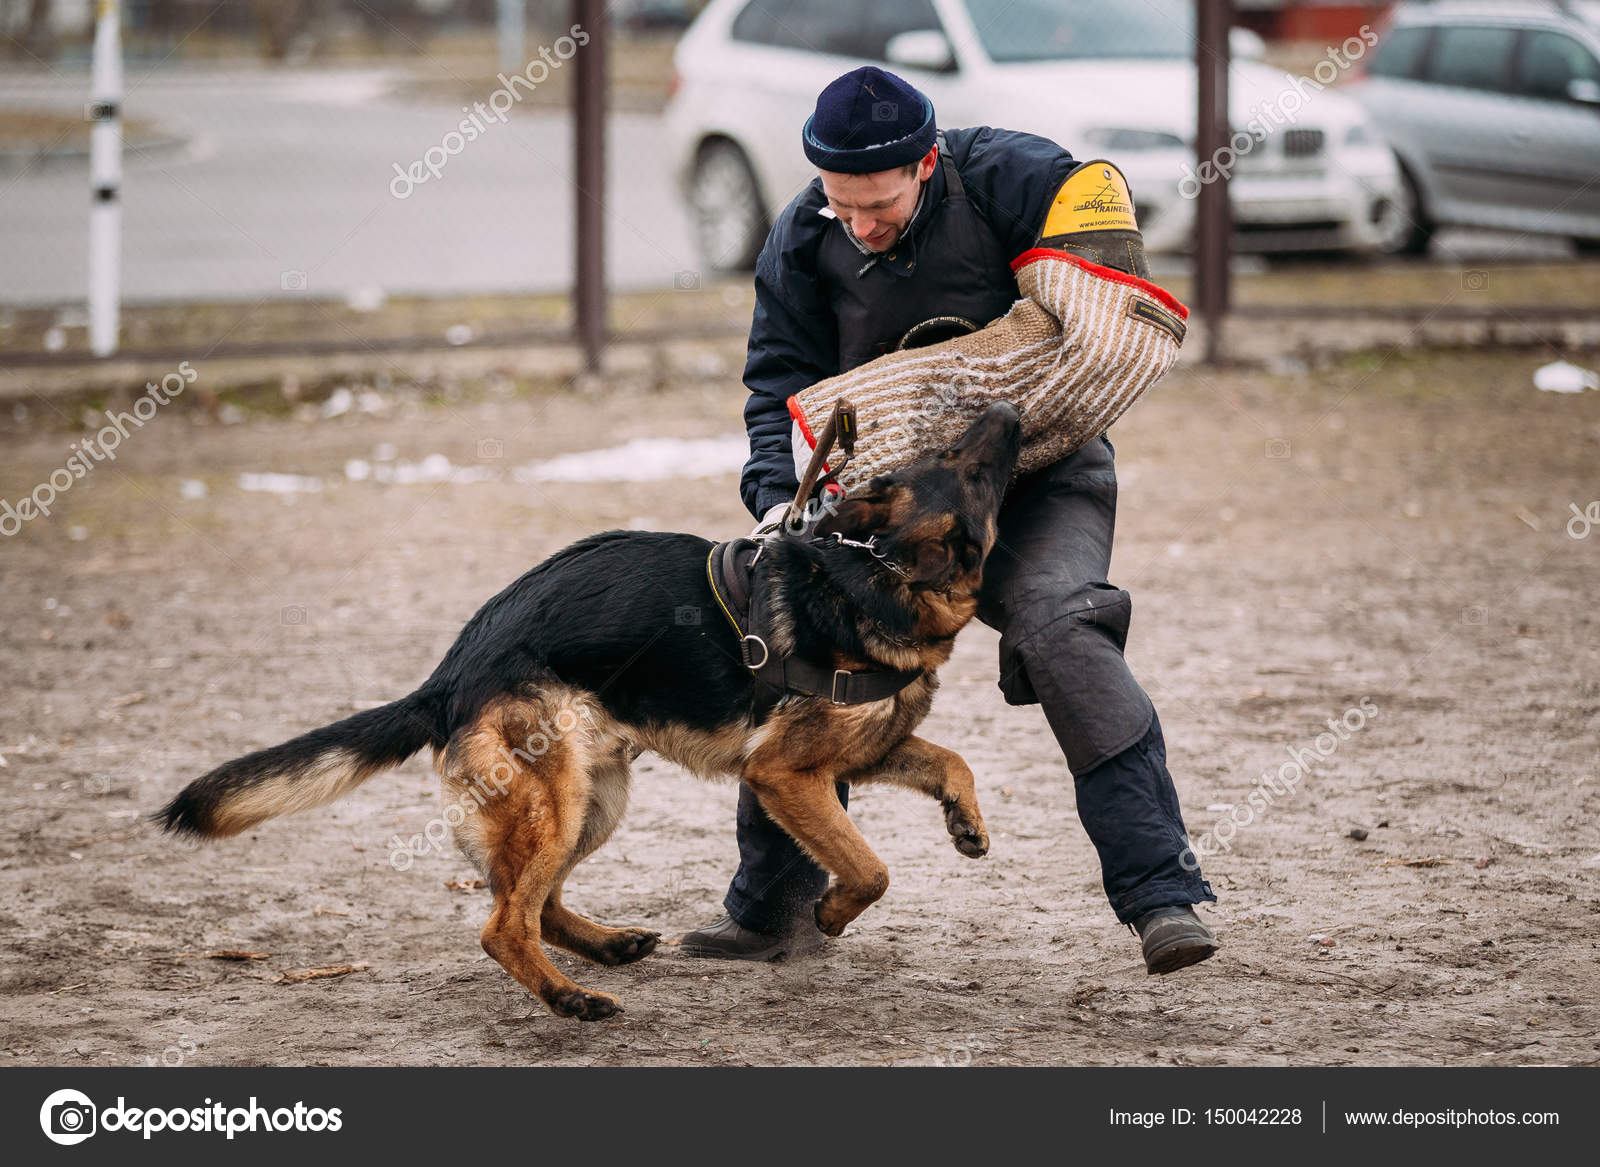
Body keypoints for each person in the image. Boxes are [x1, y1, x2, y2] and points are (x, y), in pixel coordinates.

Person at [680, 66, 1218, 974]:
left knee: (1061, 627)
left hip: (1043, 478)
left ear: (926, 162)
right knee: (811, 653)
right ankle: (772, 908)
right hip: (889, 499)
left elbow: (1102, 272)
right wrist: (778, 497)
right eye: (841, 204)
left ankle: (1161, 894)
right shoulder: (805, 236)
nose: (860, 224)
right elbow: (777, 382)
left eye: (879, 204)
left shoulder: (1013, 176)